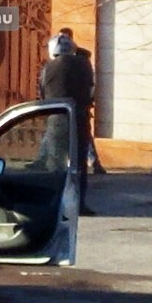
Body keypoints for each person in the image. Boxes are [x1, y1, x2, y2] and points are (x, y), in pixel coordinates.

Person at [39, 33, 96, 215]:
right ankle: (79, 205)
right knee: (79, 165)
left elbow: (41, 93)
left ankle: (55, 204)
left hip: (56, 118)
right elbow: (91, 90)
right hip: (79, 118)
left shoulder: (48, 68)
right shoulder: (84, 65)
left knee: (56, 164)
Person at [58, 27, 107, 175]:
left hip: (78, 102)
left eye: (65, 38)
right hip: (64, 101)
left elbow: (89, 80)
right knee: (55, 132)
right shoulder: (59, 56)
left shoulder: (80, 57)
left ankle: (93, 163)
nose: (63, 41)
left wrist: (89, 98)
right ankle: (45, 160)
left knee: (84, 134)